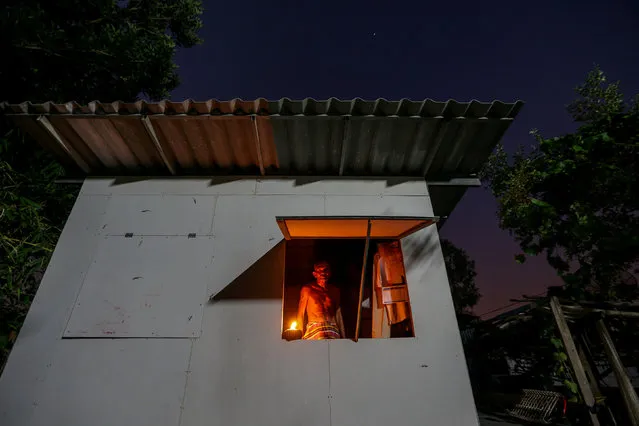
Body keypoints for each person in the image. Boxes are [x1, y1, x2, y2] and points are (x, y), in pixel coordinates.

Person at [297, 261, 346, 340]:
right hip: (314, 327)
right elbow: (300, 314)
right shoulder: (307, 289)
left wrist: (343, 338)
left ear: (329, 273)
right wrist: (299, 337)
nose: (323, 273)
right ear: (315, 274)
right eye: (319, 271)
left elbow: (338, 314)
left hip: (332, 328)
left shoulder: (335, 290)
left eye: (325, 270)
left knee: (333, 350)